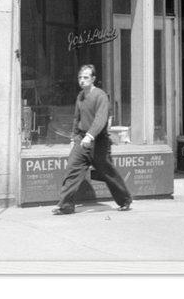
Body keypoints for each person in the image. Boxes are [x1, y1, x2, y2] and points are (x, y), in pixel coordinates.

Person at [53, 64, 132, 215]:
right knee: (72, 170)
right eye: (80, 77)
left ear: (93, 79)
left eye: (86, 77)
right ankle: (66, 205)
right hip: (81, 141)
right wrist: (74, 137)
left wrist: (90, 135)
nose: (82, 81)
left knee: (107, 172)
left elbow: (100, 119)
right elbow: (77, 118)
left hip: (98, 142)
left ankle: (125, 200)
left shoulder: (100, 96)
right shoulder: (80, 96)